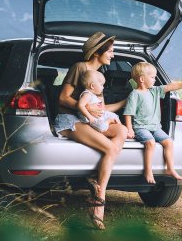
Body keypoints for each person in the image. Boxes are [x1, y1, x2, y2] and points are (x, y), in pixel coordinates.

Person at [54, 32, 128, 230]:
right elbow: (62, 98)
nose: (113, 55)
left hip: (88, 120)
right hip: (69, 119)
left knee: (120, 130)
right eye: (111, 51)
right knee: (111, 150)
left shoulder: (99, 80)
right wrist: (83, 107)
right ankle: (99, 202)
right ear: (97, 52)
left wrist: (125, 102)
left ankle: (97, 182)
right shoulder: (80, 68)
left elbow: (100, 109)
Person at [124, 62, 182, 184]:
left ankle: (170, 169)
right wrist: (130, 129)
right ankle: (148, 171)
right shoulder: (135, 94)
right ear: (142, 79)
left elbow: (170, 87)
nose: (155, 79)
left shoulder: (155, 91)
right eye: (152, 77)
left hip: (155, 127)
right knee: (150, 143)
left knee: (168, 142)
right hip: (141, 127)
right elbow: (128, 113)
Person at [77, 70, 120, 135]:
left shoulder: (93, 95)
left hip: (99, 116)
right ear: (92, 86)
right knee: (102, 127)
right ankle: (108, 122)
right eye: (101, 85)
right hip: (91, 118)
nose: (103, 87)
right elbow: (80, 105)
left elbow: (103, 108)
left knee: (115, 116)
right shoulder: (87, 94)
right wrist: (89, 117)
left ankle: (122, 129)